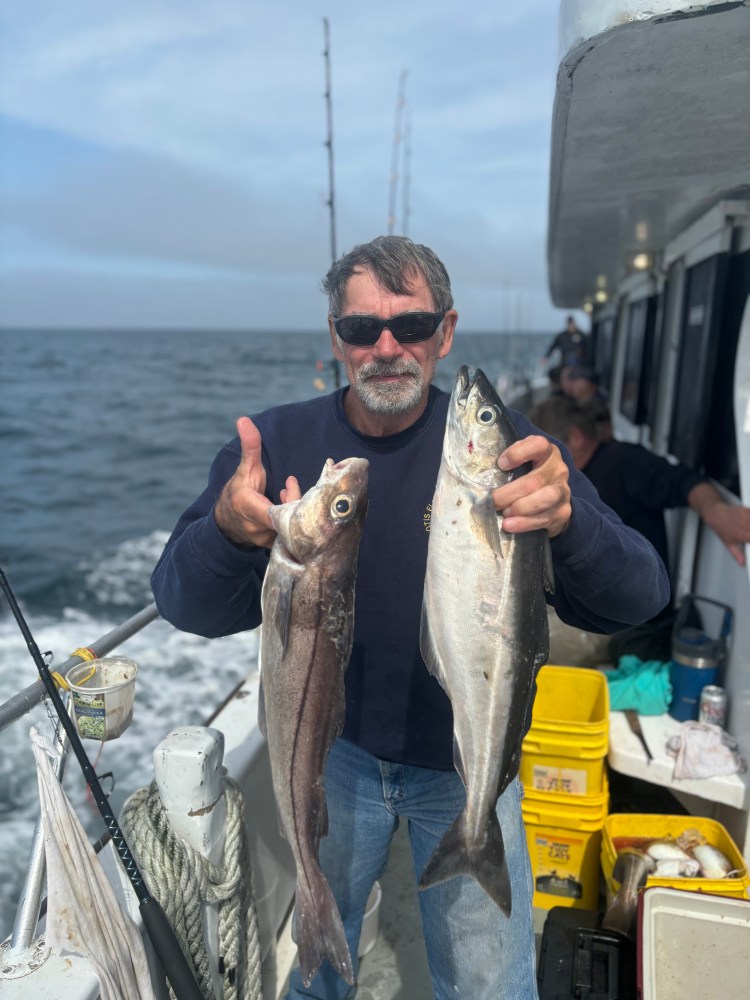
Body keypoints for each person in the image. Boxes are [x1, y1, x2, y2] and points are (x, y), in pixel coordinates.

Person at [151, 236, 669, 1000]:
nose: (387, 348)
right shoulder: (278, 443)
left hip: (469, 768)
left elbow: (641, 595)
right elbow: (184, 604)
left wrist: (570, 524)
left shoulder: (515, 453)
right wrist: (229, 532)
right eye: (362, 329)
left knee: (490, 982)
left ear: (446, 333)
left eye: (413, 327)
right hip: (336, 757)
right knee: (320, 960)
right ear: (336, 337)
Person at [528, 395, 750, 573]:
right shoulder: (569, 479)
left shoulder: (626, 461)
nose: (536, 464)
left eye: (544, 453)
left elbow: (684, 481)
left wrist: (717, 511)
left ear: (576, 437)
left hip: (638, 612)